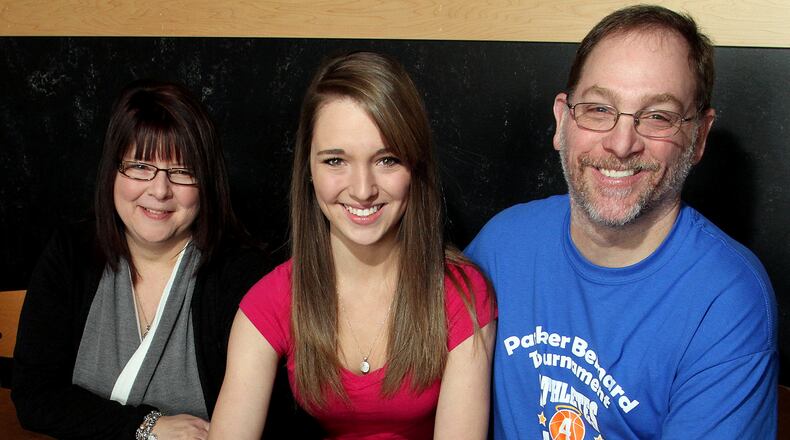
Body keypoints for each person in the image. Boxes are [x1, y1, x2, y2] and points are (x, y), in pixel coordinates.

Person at [465, 5, 777, 439]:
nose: (621, 143)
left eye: (658, 116)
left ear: (699, 137)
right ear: (562, 120)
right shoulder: (501, 246)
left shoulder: (726, 301)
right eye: (598, 108)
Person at [209, 51, 496, 439]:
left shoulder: (461, 294)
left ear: (415, 167)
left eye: (387, 160)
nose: (362, 190)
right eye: (335, 161)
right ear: (308, 169)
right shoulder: (270, 301)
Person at [12, 79, 272, 439]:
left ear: (207, 182)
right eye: (140, 166)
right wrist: (148, 427)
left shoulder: (242, 277)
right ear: (112, 170)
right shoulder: (71, 254)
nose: (160, 190)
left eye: (182, 171)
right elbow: (34, 397)